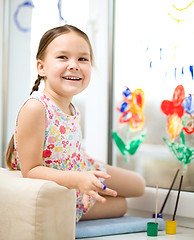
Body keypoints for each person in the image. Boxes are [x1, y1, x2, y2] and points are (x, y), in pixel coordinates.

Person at [5, 25, 145, 222]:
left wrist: (87, 168)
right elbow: (31, 170)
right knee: (121, 205)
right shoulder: (35, 108)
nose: (74, 65)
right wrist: (79, 180)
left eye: (82, 59)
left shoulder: (72, 107)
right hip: (65, 186)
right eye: (63, 57)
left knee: (138, 185)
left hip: (79, 166)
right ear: (41, 67)